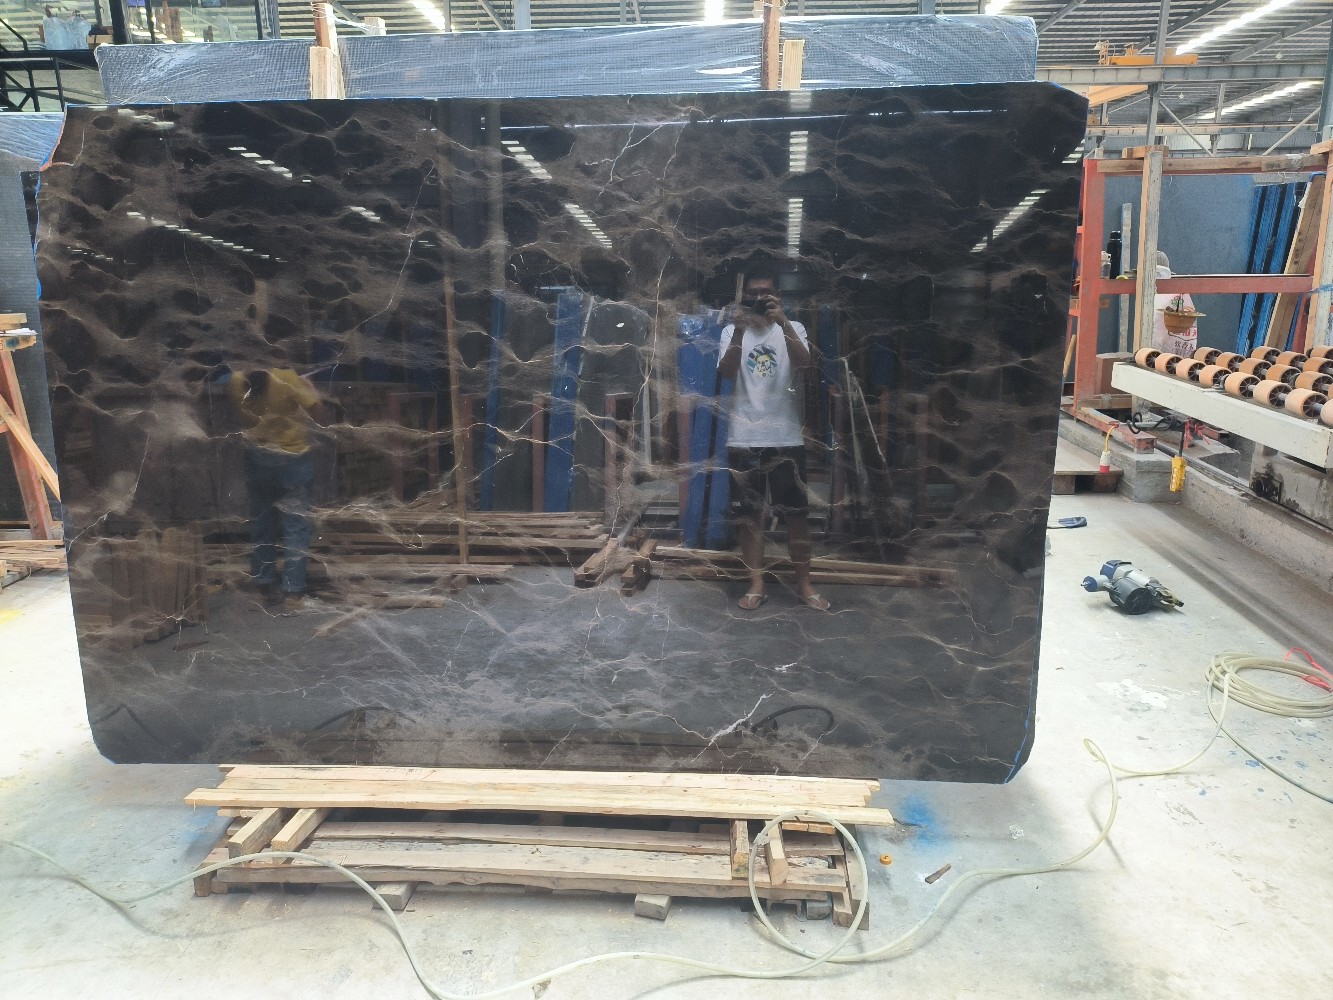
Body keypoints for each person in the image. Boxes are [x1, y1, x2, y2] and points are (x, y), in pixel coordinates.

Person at [718, 273, 829, 612]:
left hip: (785, 437)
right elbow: (726, 371)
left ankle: (805, 584)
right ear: (744, 298)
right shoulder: (730, 331)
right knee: (750, 517)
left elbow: (805, 365)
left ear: (777, 295)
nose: (759, 298)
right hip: (744, 437)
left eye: (765, 293)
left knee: (796, 516)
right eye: (752, 293)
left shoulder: (794, 328)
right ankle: (756, 585)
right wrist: (740, 329)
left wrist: (784, 323)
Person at [226, 355, 325, 612]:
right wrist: (311, 390)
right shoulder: (288, 379)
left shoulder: (236, 381)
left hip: (257, 458)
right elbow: (319, 414)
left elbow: (246, 414)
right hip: (293, 460)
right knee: (296, 525)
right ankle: (293, 591)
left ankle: (264, 585)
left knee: (262, 523)